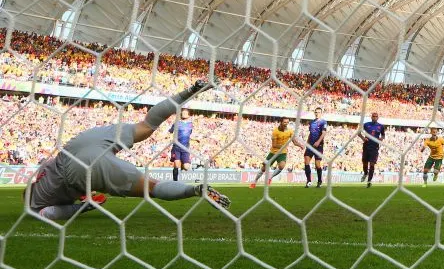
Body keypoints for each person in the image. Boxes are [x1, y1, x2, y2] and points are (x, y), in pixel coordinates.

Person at [26, 81, 230, 221]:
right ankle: (191, 90)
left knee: (152, 187)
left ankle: (194, 190)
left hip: (79, 170)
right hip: (78, 143)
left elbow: (48, 213)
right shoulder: (43, 172)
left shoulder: (35, 204)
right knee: (146, 125)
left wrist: (83, 207)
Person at [250, 117, 301, 188]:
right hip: (273, 152)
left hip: (282, 153)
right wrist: (283, 146)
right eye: (284, 122)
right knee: (264, 168)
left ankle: (270, 178)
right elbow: (274, 145)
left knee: (282, 166)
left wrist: (301, 145)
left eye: (287, 122)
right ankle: (254, 181)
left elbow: (295, 142)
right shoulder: (275, 131)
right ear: (281, 122)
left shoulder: (290, 131)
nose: (286, 124)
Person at [169, 108, 196, 182]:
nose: (183, 114)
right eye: (182, 113)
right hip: (176, 147)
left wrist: (196, 139)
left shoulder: (191, 124)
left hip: (185, 148)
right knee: (176, 165)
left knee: (186, 167)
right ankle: (175, 182)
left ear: (188, 115)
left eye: (185, 113)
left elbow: (189, 135)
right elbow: (170, 131)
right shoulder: (177, 123)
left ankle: (183, 163)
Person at [303, 107, 328, 188]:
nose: (317, 113)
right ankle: (309, 181)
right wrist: (307, 143)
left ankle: (319, 181)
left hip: (318, 146)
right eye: (316, 112)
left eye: (319, 112)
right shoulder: (312, 123)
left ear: (321, 113)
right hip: (310, 145)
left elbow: (323, 133)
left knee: (317, 164)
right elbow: (310, 133)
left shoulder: (323, 122)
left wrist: (318, 142)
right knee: (306, 160)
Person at [360, 112, 385, 188]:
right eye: (373, 116)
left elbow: (383, 135)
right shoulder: (366, 124)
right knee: (364, 163)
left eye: (376, 116)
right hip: (366, 146)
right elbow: (358, 132)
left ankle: (369, 181)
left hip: (374, 147)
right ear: (371, 117)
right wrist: (363, 138)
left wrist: (381, 138)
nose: (374, 117)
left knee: (372, 164)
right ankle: (365, 173)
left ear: (378, 117)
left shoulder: (381, 126)